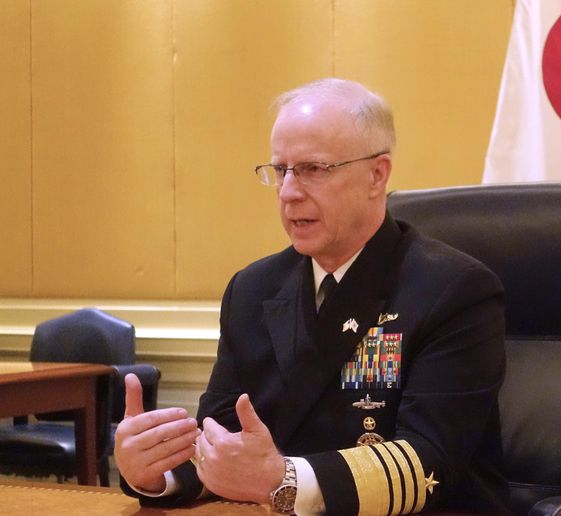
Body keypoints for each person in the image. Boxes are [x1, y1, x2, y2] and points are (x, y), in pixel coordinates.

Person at [114, 78, 509, 515]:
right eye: (280, 170)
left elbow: (427, 461)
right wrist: (156, 472)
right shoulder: (253, 289)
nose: (288, 192)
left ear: (377, 175)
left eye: (314, 169)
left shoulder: (453, 289)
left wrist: (281, 479)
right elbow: (222, 436)